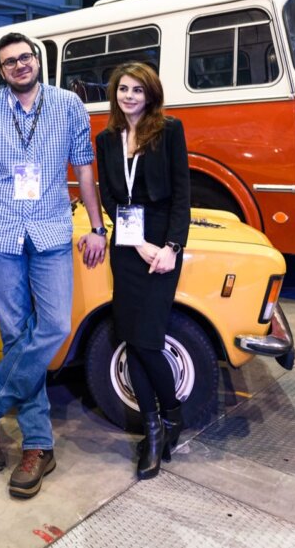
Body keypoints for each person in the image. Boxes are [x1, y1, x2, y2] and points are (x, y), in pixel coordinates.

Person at [0, 32, 108, 500]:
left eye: (25, 58)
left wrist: (97, 227)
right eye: (10, 62)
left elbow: (84, 170)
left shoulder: (69, 106)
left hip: (53, 231)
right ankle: (38, 445)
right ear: (0, 70)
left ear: (37, 61)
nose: (19, 66)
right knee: (18, 336)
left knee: (55, 325)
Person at [94, 62, 190, 480]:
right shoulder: (105, 139)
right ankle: (154, 428)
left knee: (148, 341)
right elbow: (112, 197)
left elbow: (182, 195)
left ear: (150, 94)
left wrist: (170, 247)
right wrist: (138, 243)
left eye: (137, 89)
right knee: (132, 340)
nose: (129, 96)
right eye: (123, 89)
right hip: (129, 246)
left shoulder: (169, 131)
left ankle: (171, 417)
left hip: (163, 246)